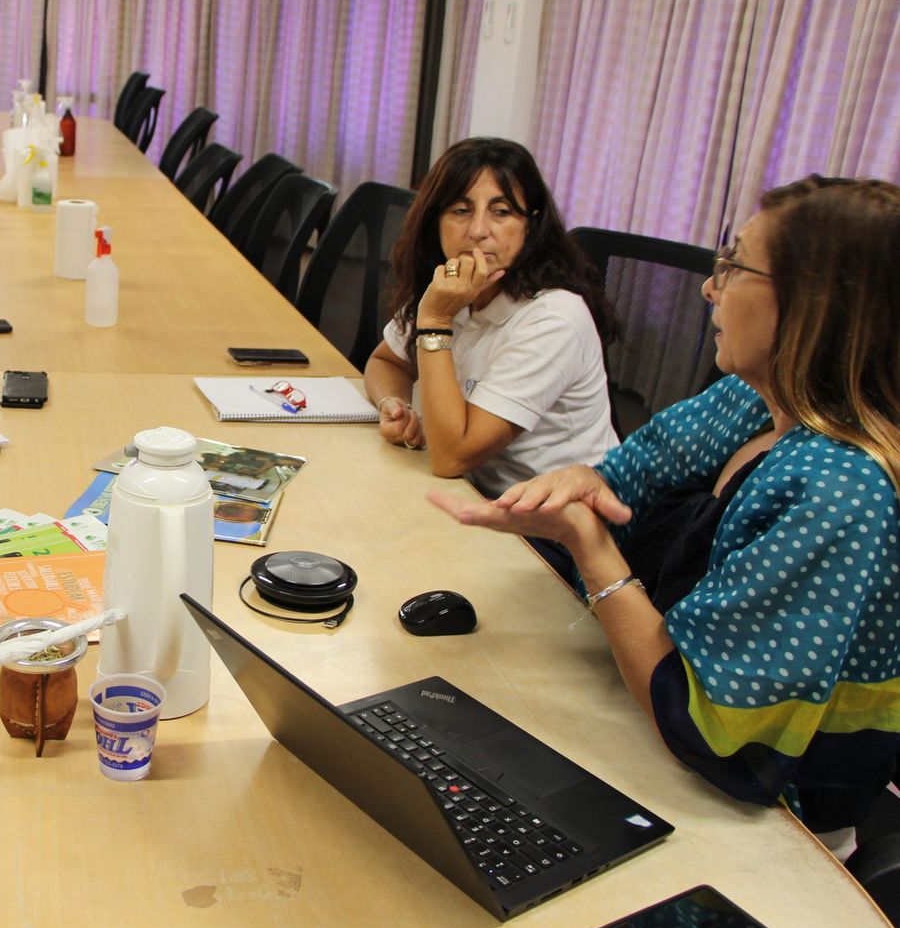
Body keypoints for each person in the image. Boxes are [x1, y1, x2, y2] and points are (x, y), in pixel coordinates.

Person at [429, 176, 900, 852]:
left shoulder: (835, 490)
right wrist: (574, 489)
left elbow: (720, 736)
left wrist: (590, 547)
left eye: (735, 266)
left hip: (770, 824)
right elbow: (618, 482)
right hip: (651, 727)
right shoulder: (750, 401)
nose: (711, 287)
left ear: (813, 305)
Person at [363, 137, 619, 497]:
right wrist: (396, 404)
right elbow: (386, 361)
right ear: (434, 221)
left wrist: (435, 319)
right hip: (476, 496)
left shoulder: (553, 318)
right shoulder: (454, 282)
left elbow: (451, 458)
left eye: (501, 212)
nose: (479, 230)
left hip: (555, 529)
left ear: (530, 225)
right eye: (460, 210)